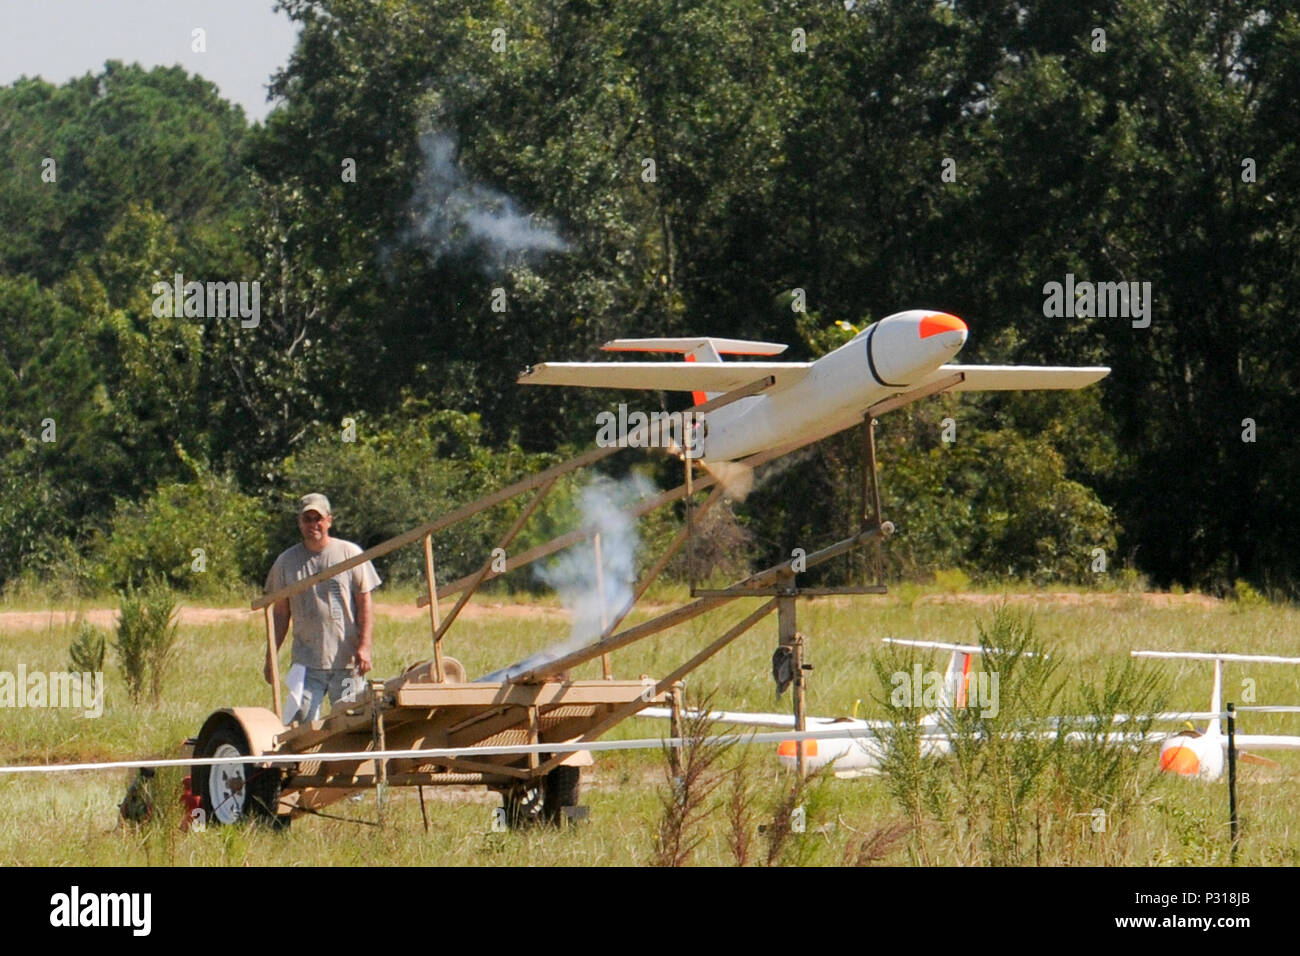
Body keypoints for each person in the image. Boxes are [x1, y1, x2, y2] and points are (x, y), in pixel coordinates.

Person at [264, 493, 382, 723]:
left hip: (347, 661)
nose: (312, 525)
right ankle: (303, 761)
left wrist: (365, 646)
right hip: (307, 663)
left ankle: (344, 760)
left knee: (351, 721)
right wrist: (271, 655)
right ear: (299, 523)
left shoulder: (350, 553)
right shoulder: (286, 562)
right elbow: (279, 613)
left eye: (317, 519)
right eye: (307, 519)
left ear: (329, 520)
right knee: (301, 721)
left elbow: (364, 602)